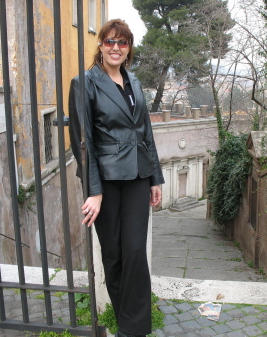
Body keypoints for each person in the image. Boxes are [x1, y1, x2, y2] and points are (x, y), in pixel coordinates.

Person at [68, 19, 164, 337]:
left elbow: (145, 131)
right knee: (114, 254)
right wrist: (93, 190)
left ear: (128, 48)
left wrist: (155, 178)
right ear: (101, 45)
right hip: (106, 182)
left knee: (135, 250)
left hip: (137, 175)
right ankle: (127, 323)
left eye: (122, 43)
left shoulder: (133, 82)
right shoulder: (84, 83)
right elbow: (83, 141)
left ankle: (133, 330)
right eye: (110, 41)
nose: (115, 48)